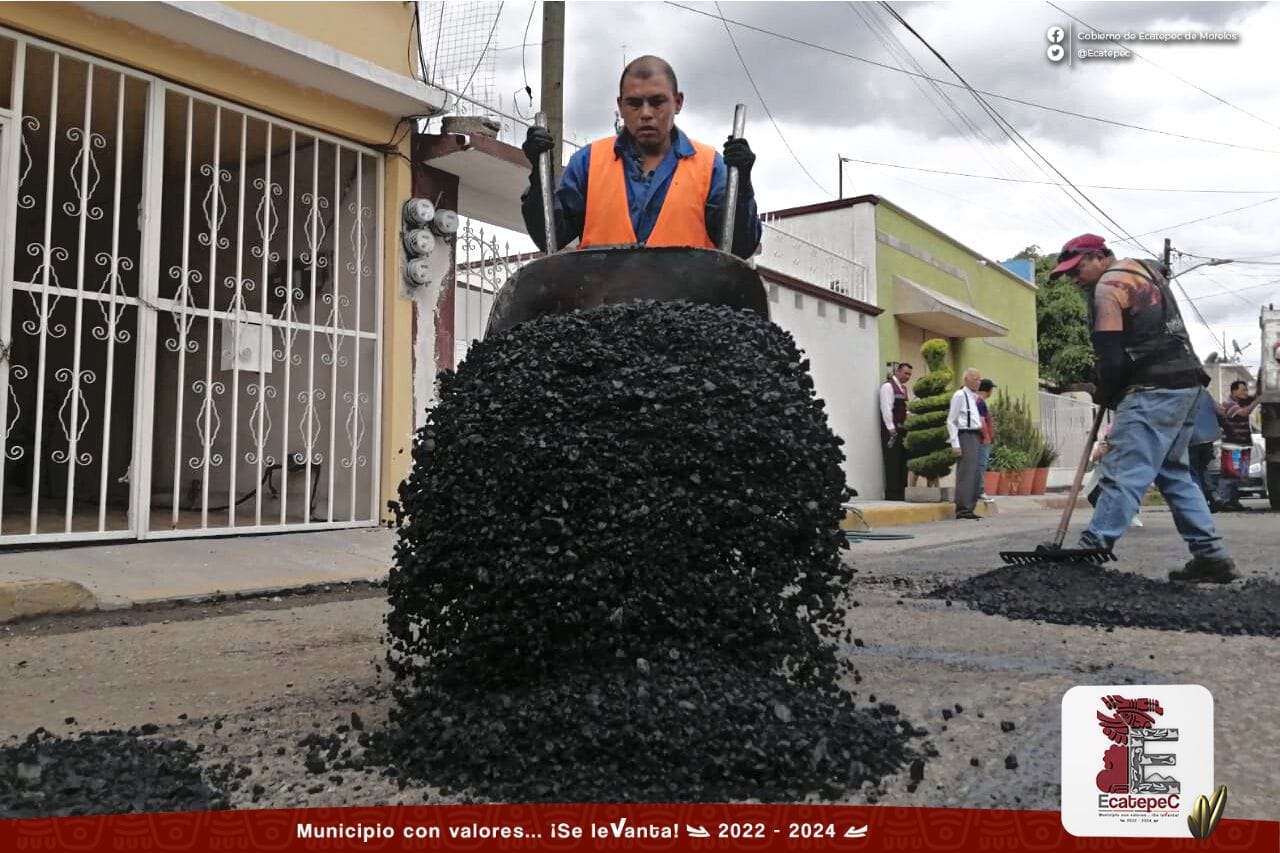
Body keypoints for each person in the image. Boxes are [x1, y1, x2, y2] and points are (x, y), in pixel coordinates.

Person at [1049, 233, 1235, 583]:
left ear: (1099, 256)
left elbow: (1111, 358)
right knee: (1175, 475)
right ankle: (1212, 556)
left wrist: (1106, 391)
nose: (1073, 279)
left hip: (1154, 388)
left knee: (1123, 470)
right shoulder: (1147, 270)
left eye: (1077, 269)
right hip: (1188, 384)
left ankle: (1090, 551)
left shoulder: (1107, 287)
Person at [520, 55, 762, 258]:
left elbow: (740, 247)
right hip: (603, 308)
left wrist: (741, 186)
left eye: (657, 102)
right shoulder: (588, 162)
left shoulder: (710, 166)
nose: (646, 113)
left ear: (677, 102)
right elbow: (550, 235)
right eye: (635, 103)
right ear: (621, 106)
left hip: (688, 309)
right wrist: (539, 176)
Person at [946, 368, 984, 520]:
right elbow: (951, 420)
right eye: (975, 378)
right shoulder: (960, 395)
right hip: (965, 435)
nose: (978, 381)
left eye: (979, 379)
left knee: (974, 473)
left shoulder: (974, 397)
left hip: (974, 435)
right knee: (966, 473)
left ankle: (970, 507)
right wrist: (955, 443)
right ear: (966, 379)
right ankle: (962, 508)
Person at [1216, 379, 1260, 512]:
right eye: (1243, 390)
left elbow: (1254, 398)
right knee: (1229, 474)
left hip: (1243, 445)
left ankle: (1233, 502)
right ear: (1234, 391)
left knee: (1239, 476)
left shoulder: (1240, 403)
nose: (1246, 393)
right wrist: (1257, 401)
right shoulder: (1229, 404)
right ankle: (1224, 501)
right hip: (1232, 446)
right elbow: (1243, 413)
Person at [879, 362, 913, 501]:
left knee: (903, 462)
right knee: (892, 462)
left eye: (910, 374)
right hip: (892, 431)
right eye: (905, 373)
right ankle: (892, 494)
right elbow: (886, 407)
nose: (908, 376)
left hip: (903, 430)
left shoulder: (903, 389)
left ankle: (901, 492)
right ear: (897, 372)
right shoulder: (888, 387)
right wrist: (890, 428)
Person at [1188, 387, 1223, 512]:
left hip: (1190, 439)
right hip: (1208, 438)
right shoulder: (1205, 393)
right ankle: (1213, 494)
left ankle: (1200, 501)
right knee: (1203, 468)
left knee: (1192, 471)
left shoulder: (1179, 393)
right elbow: (1220, 412)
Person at [976, 378, 997, 503]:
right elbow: (981, 420)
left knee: (979, 465)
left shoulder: (977, 401)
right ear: (989, 390)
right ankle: (980, 491)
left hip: (980, 439)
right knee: (981, 465)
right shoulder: (980, 402)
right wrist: (986, 436)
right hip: (982, 440)